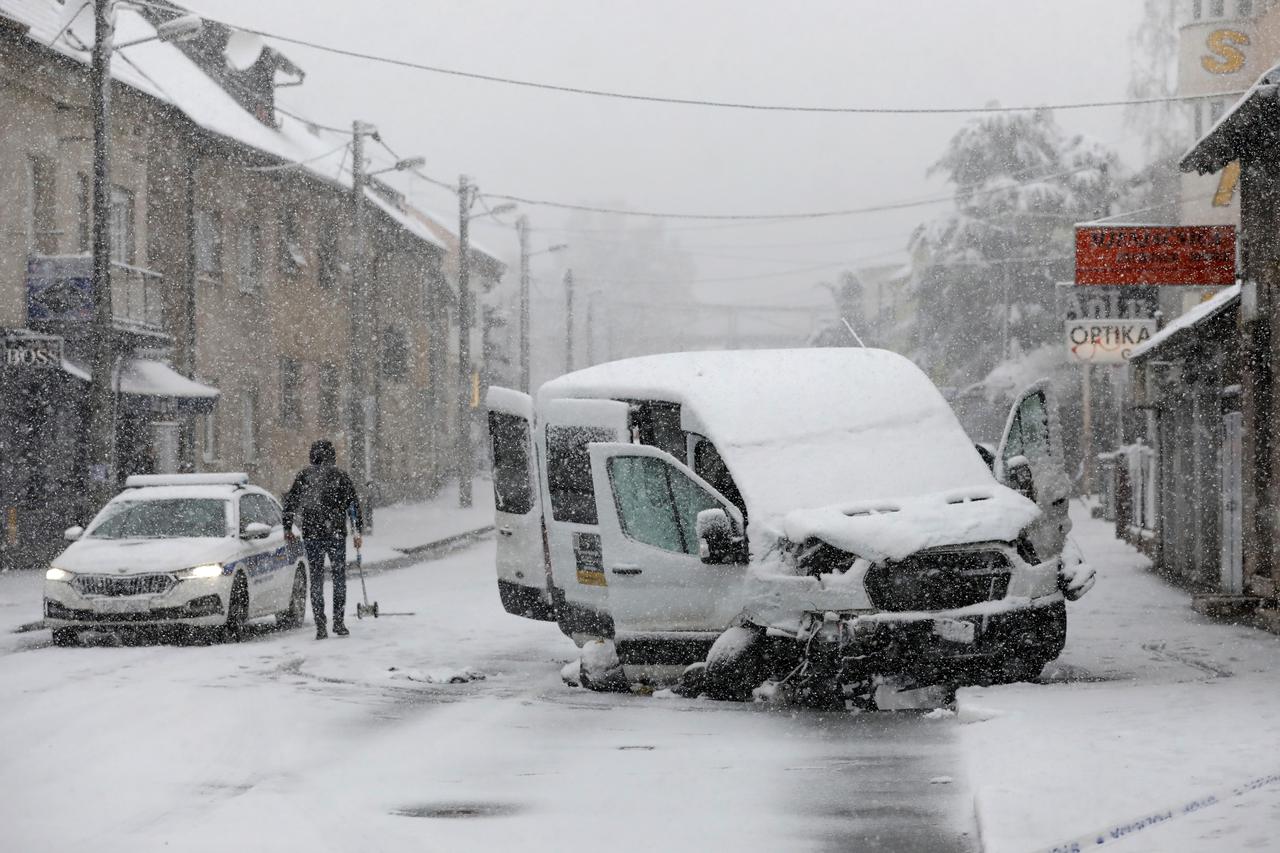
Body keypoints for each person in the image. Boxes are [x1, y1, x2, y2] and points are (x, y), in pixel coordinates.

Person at [282, 440, 364, 639]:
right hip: (335, 533)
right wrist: (357, 532)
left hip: (312, 534)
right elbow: (353, 505)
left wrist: (287, 527)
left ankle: (320, 624)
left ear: (312, 456)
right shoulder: (340, 476)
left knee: (316, 579)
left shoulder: (304, 476)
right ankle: (338, 622)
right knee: (338, 578)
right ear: (332, 456)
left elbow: (291, 502)